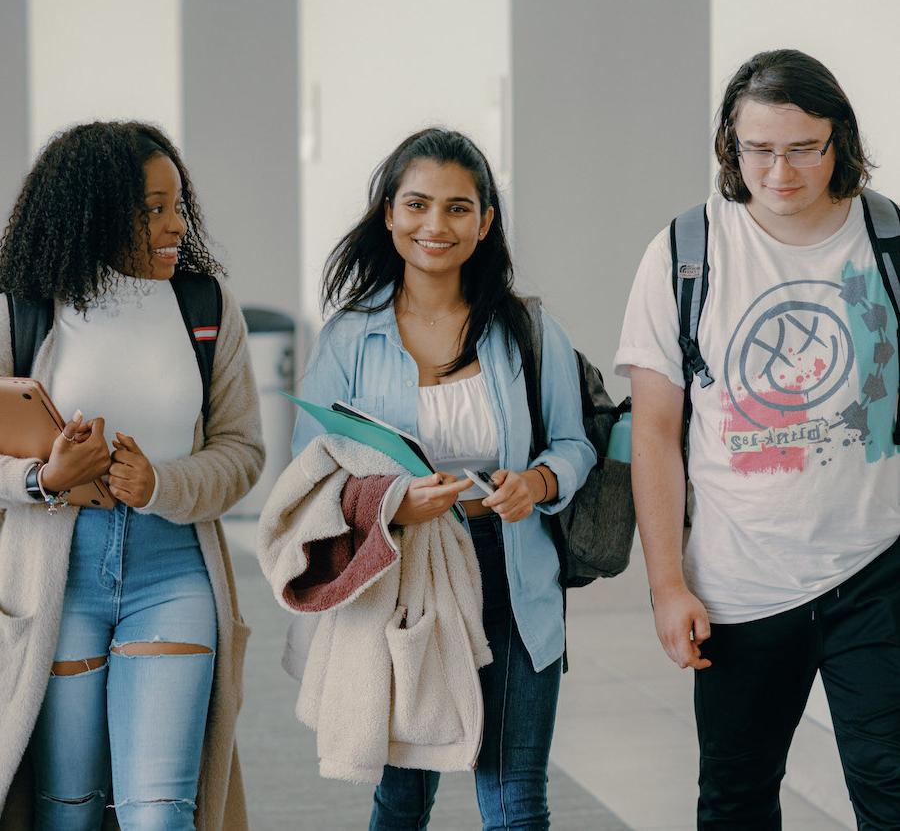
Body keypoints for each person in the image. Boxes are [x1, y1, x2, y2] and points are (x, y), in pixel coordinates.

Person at [615, 49, 900, 828]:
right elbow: (656, 435)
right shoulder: (685, 253)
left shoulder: (888, 239)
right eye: (759, 149)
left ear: (838, 139)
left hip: (879, 566)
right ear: (730, 146)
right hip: (740, 582)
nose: (780, 170)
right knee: (736, 802)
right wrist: (667, 586)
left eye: (803, 147)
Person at [291, 127, 595, 830]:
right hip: (409, 580)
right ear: (390, 214)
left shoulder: (527, 329)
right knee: (403, 798)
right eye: (418, 205)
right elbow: (311, 474)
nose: (436, 225)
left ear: (486, 222)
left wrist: (538, 483)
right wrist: (393, 503)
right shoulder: (348, 338)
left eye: (459, 208)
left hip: (513, 575)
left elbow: (577, 444)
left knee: (517, 800)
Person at [0, 121, 264, 830]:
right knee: (67, 809)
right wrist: (43, 478)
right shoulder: (21, 309)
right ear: (94, 212)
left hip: (172, 570)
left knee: (160, 813)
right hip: (57, 581)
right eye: (153, 208)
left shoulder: (206, 309)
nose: (176, 223)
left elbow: (243, 451)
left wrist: (161, 486)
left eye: (179, 205)